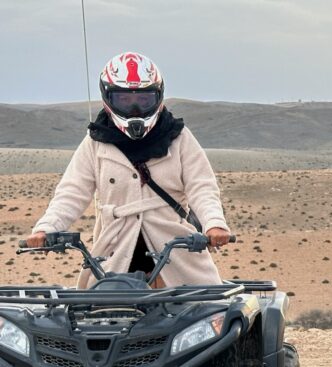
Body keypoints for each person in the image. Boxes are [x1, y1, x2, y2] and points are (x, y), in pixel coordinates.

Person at [24, 52, 231, 288]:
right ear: (108, 97)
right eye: (124, 99)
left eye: (144, 100)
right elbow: (72, 192)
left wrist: (214, 223)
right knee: (97, 314)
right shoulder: (97, 141)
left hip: (173, 249)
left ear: (158, 96)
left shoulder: (178, 136)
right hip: (116, 248)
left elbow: (201, 186)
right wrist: (47, 228)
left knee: (203, 311)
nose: (134, 108)